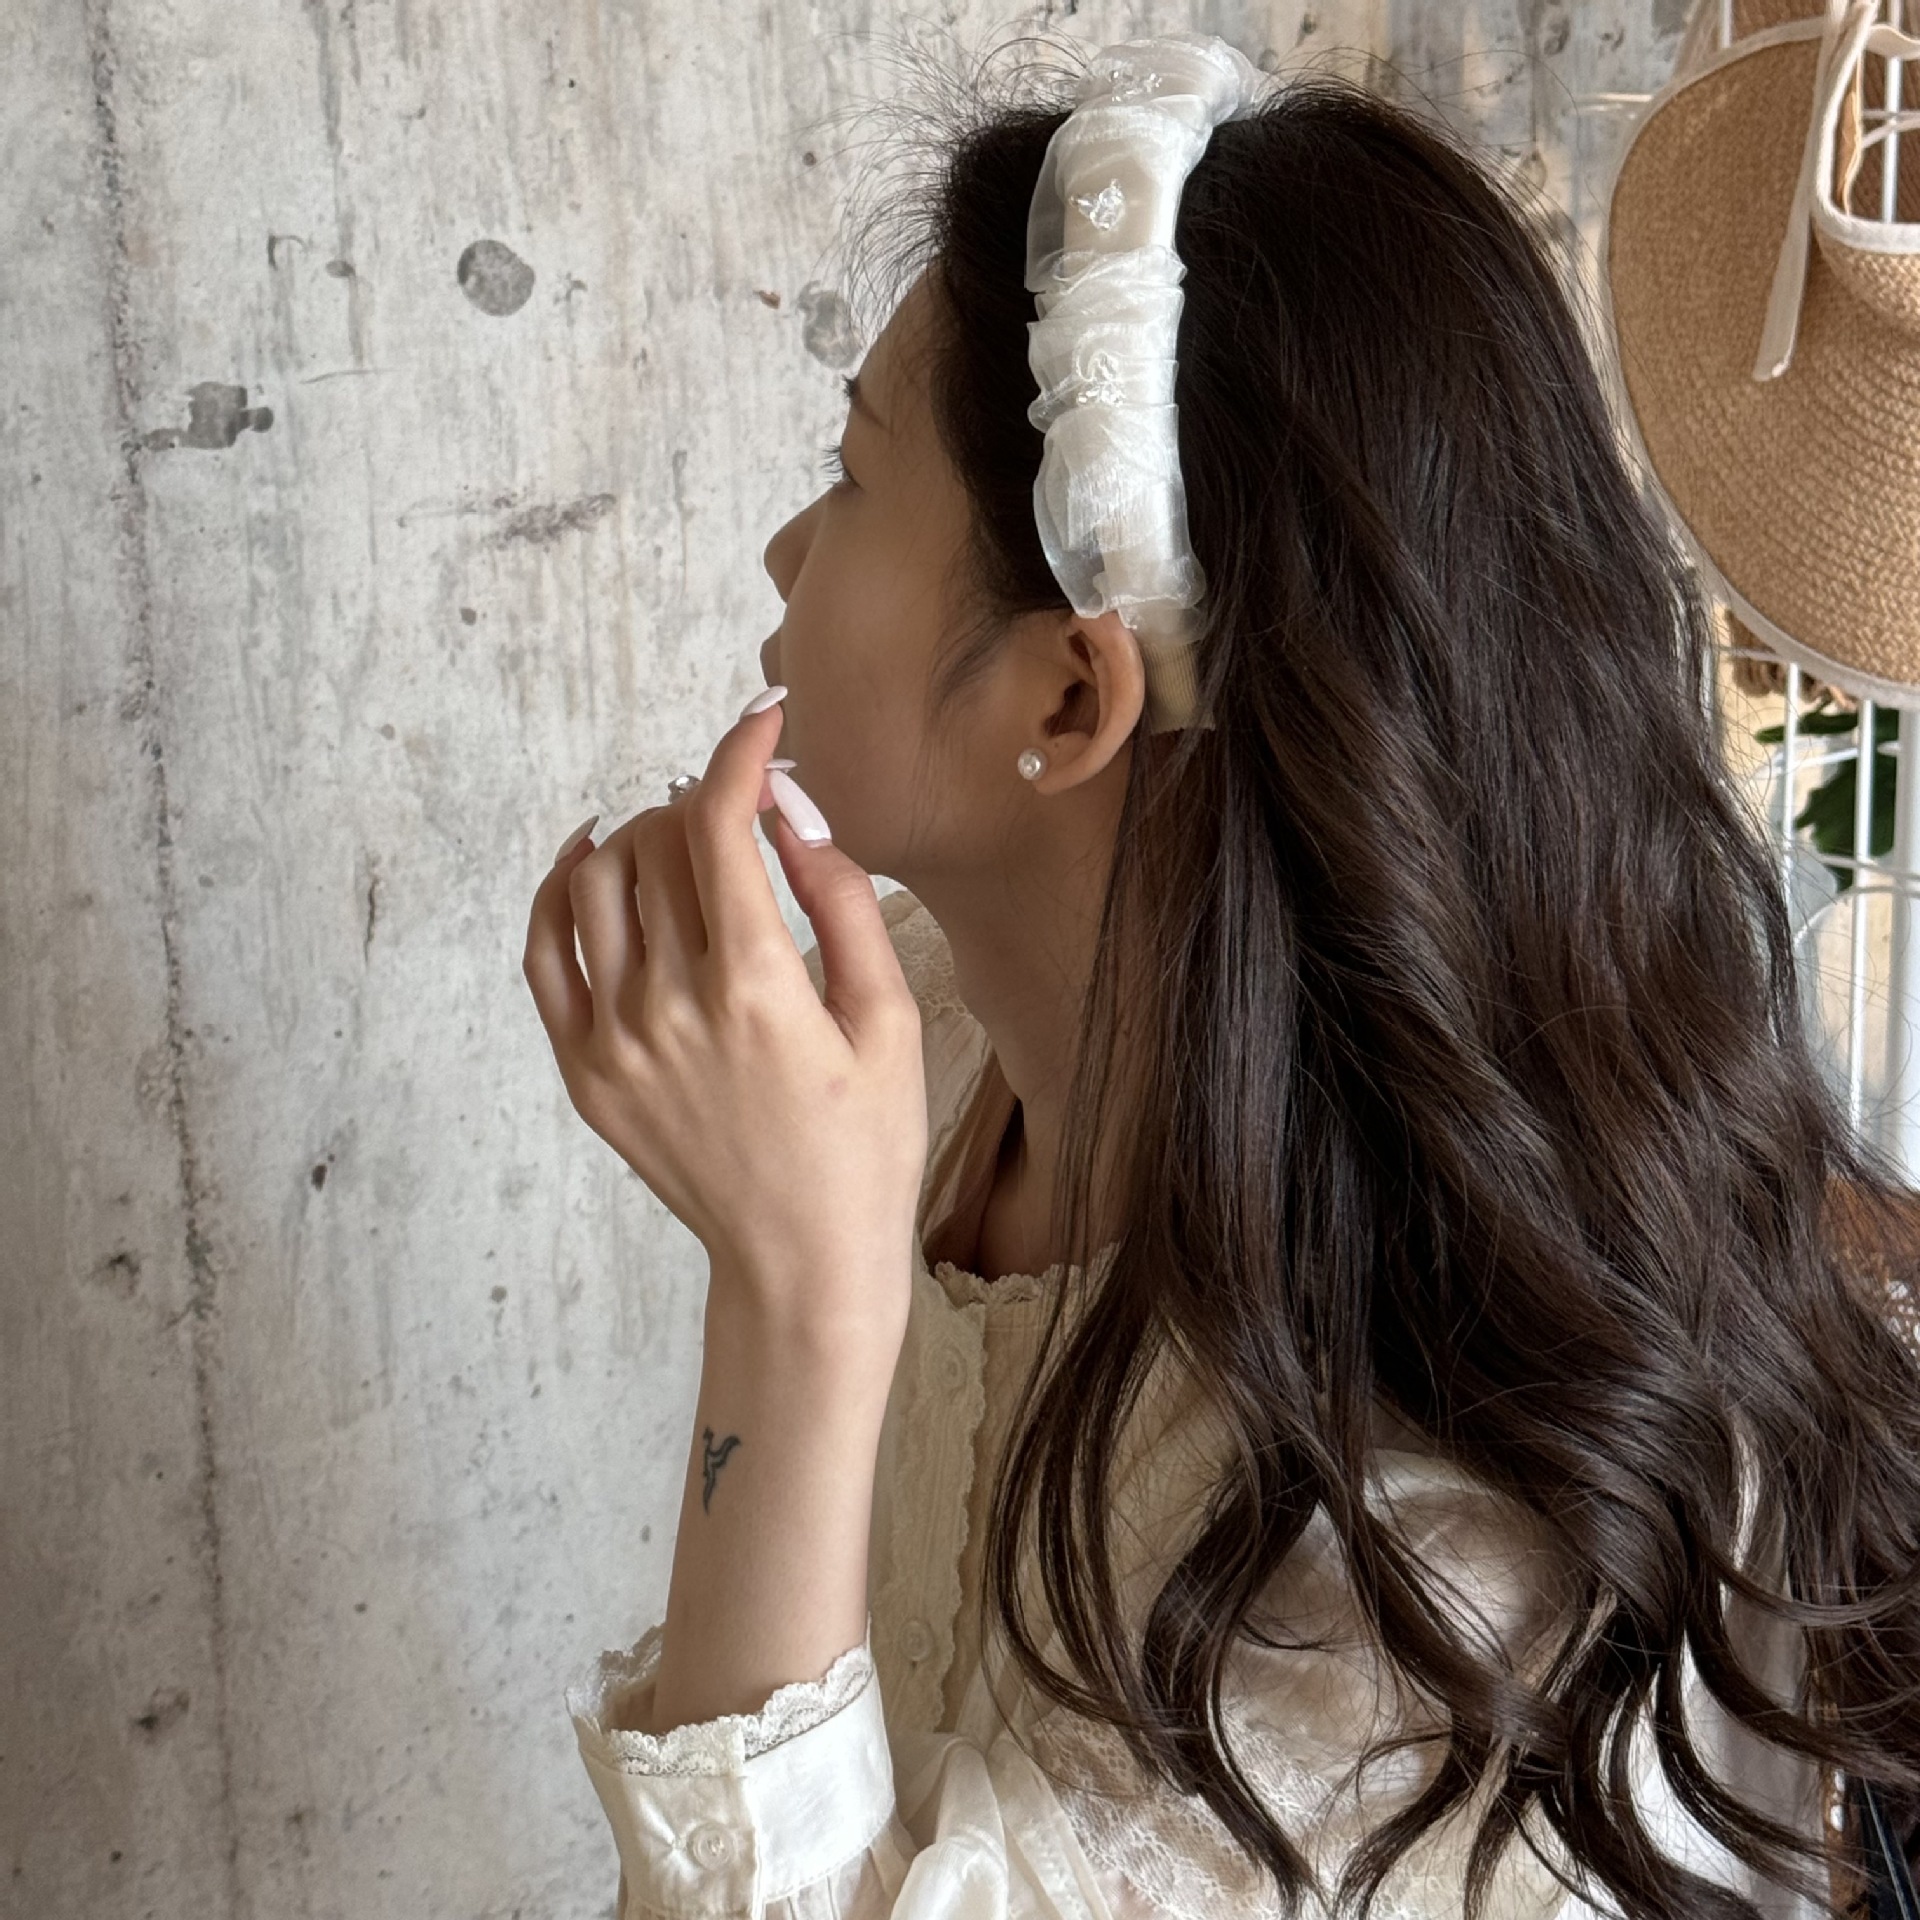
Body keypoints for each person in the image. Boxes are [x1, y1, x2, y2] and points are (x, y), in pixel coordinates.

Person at [521, 31, 1920, 1920]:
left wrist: (796, 1300)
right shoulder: (937, 1041)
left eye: (844, 478)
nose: (783, 547)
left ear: (1070, 699)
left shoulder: (1420, 1592)